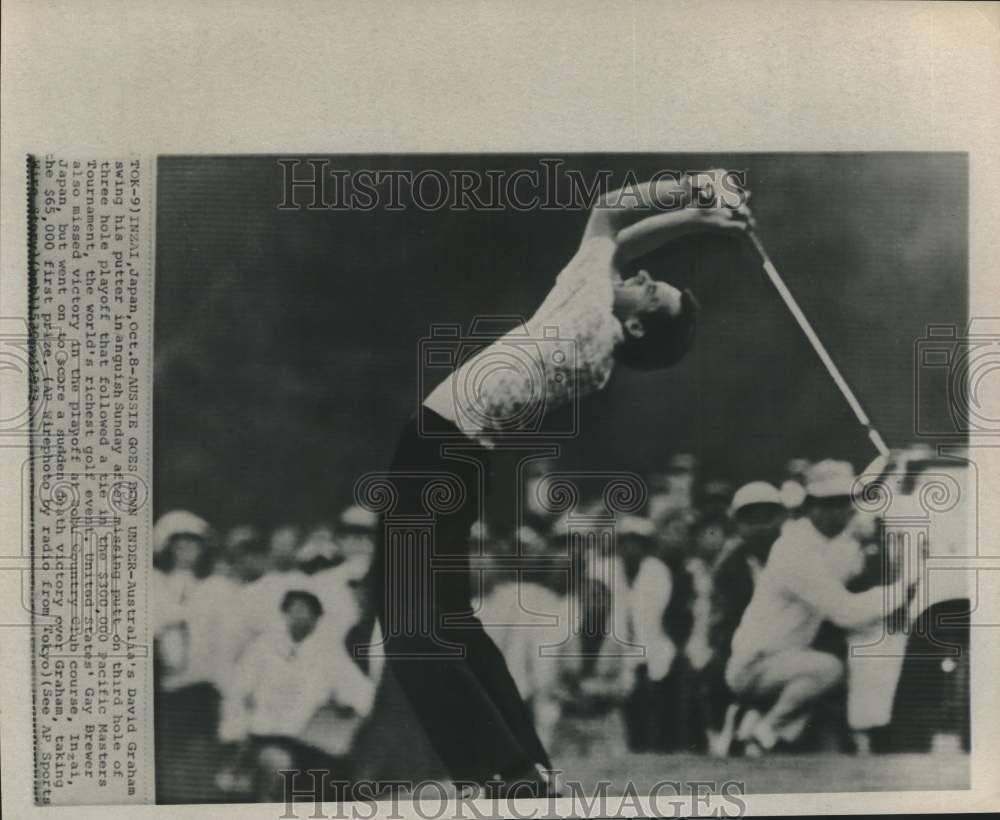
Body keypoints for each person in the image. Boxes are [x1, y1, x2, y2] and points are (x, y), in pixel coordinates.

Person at [370, 175, 754, 790]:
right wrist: (700, 222)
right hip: (458, 455)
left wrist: (696, 188)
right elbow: (619, 245)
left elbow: (609, 215)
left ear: (636, 328)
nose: (643, 278)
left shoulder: (587, 316)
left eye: (651, 293)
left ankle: (504, 768)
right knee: (447, 620)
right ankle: (525, 765)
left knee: (413, 627)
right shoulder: (593, 327)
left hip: (437, 451)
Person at [724, 460, 911, 755]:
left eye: (843, 502)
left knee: (834, 671)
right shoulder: (793, 549)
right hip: (755, 665)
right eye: (826, 504)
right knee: (829, 670)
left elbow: (852, 568)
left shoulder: (835, 543)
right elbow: (846, 613)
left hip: (790, 660)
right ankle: (765, 729)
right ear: (810, 507)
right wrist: (902, 591)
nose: (836, 512)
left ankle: (755, 724)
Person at [219, 590, 375, 802]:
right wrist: (236, 729)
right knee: (275, 767)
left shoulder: (329, 652)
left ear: (317, 618)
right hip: (264, 732)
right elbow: (238, 689)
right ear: (284, 613)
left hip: (307, 738)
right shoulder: (263, 647)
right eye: (293, 610)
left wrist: (352, 709)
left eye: (305, 611)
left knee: (326, 780)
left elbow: (358, 690)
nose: (298, 617)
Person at [701, 481, 786, 756]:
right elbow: (722, 621)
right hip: (745, 649)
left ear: (781, 518)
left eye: (767, 518)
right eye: (751, 520)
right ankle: (720, 732)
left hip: (792, 642)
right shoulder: (729, 566)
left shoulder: (795, 555)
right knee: (714, 666)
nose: (760, 527)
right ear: (736, 525)